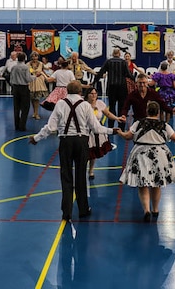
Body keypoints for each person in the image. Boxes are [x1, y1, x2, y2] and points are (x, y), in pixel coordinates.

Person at [29, 80, 116, 221]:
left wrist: (37, 138)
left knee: (66, 176)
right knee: (81, 176)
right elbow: (96, 128)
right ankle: (83, 209)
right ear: (81, 92)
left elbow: (50, 127)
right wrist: (113, 131)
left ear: (67, 91)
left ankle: (67, 212)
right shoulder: (86, 105)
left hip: (66, 142)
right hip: (82, 142)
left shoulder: (60, 104)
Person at [116, 101, 175, 222]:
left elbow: (128, 136)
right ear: (158, 113)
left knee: (142, 184)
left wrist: (120, 132)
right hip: (159, 155)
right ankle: (156, 210)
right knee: (156, 184)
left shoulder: (138, 123)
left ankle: (146, 210)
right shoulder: (164, 125)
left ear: (147, 111)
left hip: (140, 154)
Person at [86, 87, 125, 180]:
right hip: (86, 130)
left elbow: (108, 114)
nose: (94, 95)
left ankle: (91, 170)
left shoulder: (100, 103)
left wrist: (117, 118)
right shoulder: (84, 105)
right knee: (85, 151)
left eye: (95, 93)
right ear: (87, 95)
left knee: (93, 152)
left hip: (97, 130)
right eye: (91, 93)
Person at [93, 48, 132, 129]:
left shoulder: (108, 61)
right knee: (121, 107)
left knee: (112, 106)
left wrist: (94, 81)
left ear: (113, 54)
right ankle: (121, 127)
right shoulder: (123, 62)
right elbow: (128, 74)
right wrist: (133, 79)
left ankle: (111, 126)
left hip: (111, 87)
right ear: (120, 54)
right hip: (122, 87)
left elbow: (101, 72)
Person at [9, 52, 35, 131]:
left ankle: (16, 125)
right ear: (24, 59)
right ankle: (22, 125)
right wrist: (34, 77)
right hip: (23, 88)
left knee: (16, 107)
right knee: (25, 107)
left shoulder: (14, 67)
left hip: (15, 88)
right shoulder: (25, 67)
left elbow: (11, 79)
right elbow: (28, 79)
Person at [28, 52, 49, 120]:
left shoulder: (41, 64)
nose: (34, 58)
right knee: (32, 98)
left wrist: (47, 76)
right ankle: (34, 112)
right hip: (31, 82)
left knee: (37, 98)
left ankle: (36, 113)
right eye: (33, 57)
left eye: (36, 56)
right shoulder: (28, 64)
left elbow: (45, 69)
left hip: (39, 82)